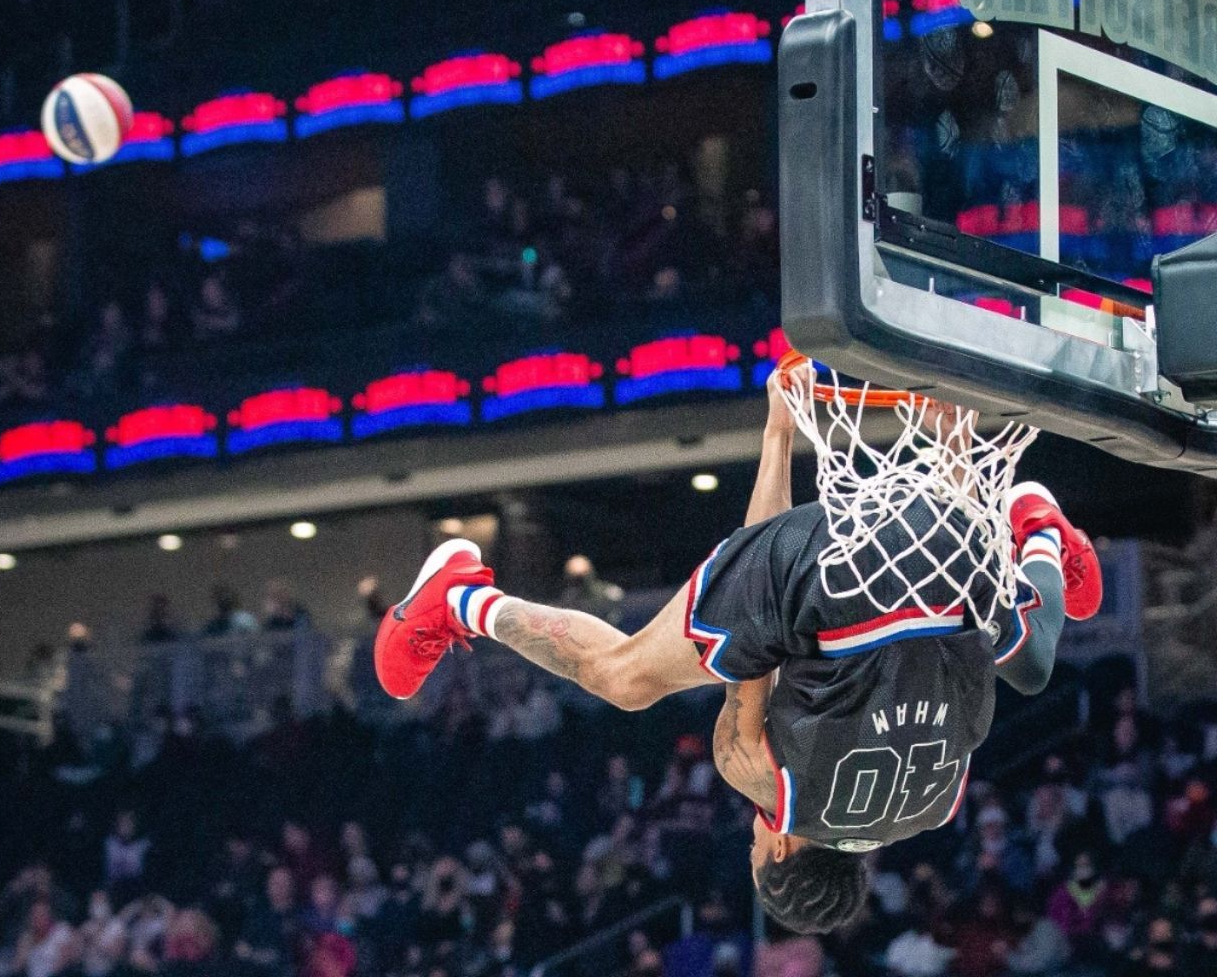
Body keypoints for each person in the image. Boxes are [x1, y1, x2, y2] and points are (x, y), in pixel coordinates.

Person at [375, 356, 1102, 934]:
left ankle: (1036, 527)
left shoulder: (936, 804)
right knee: (625, 679)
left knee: (1031, 665)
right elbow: (752, 623)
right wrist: (778, 434)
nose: (754, 837)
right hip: (830, 572)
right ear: (779, 849)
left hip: (944, 545)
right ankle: (460, 599)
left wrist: (952, 448)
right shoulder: (766, 787)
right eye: (756, 848)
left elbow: (959, 635)